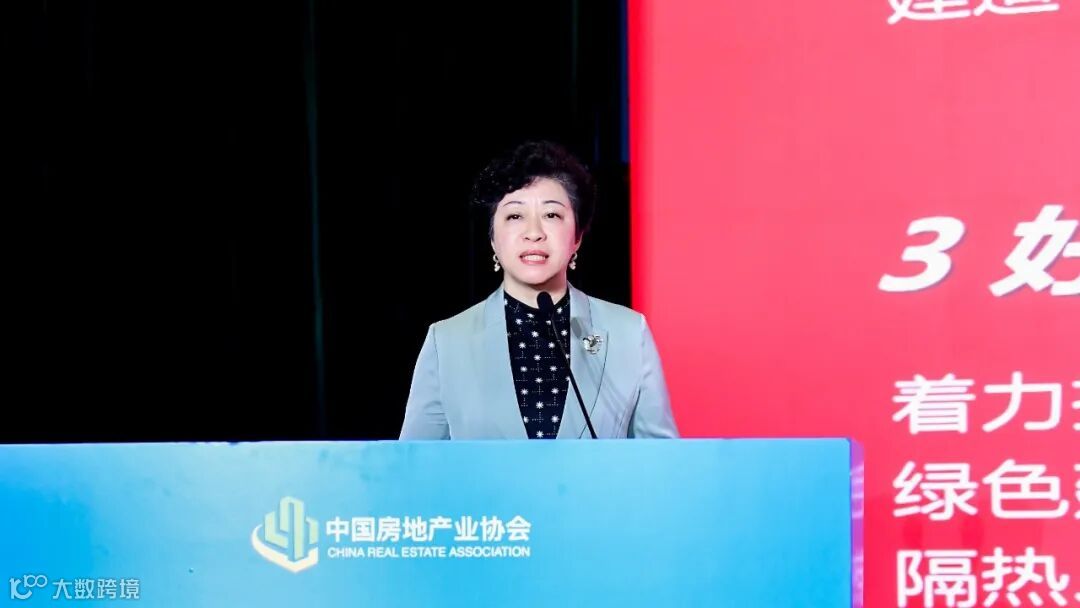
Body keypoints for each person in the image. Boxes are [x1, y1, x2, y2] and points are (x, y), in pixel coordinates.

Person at [399, 140, 678, 440]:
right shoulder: (447, 341)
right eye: (515, 216)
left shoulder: (628, 333)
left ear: (577, 237)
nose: (534, 233)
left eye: (552, 215)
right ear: (493, 238)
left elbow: (660, 458)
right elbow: (417, 462)